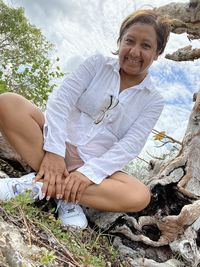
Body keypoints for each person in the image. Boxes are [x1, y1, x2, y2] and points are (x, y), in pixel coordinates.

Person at [0, 9, 171, 229]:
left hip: (93, 164)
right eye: (129, 41)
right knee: (7, 103)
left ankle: (43, 188)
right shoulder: (97, 64)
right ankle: (58, 183)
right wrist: (54, 151)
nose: (135, 52)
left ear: (157, 53)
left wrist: (88, 174)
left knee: (139, 195)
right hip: (51, 146)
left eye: (146, 46)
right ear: (120, 41)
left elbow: (130, 146)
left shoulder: (153, 100)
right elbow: (61, 101)